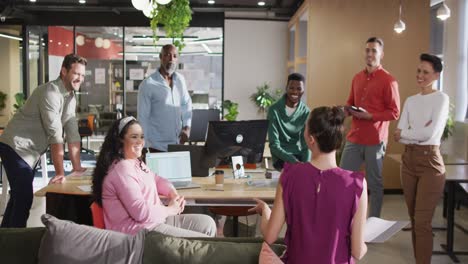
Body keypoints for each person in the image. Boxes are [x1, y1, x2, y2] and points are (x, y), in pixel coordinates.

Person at [251, 106, 368, 263]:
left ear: (311, 139)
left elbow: (270, 236)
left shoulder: (289, 175)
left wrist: (265, 210)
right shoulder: (356, 184)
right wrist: (364, 245)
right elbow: (358, 252)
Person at [0, 54, 88, 228]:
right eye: (76, 73)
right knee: (24, 197)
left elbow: (72, 133)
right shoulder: (50, 93)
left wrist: (77, 168)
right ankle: (15, 247)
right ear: (64, 71)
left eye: (83, 75)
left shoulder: (70, 96)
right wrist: (60, 172)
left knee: (18, 197)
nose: (80, 78)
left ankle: (5, 240)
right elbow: (55, 135)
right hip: (15, 146)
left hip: (30, 153)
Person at [92, 116, 216, 237]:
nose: (140, 142)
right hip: (139, 233)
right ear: (120, 140)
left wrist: (173, 193)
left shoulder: (136, 162)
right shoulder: (122, 169)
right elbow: (141, 213)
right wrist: (170, 209)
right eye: (134, 137)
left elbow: (156, 179)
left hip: (155, 222)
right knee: (201, 243)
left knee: (208, 224)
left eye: (142, 137)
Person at [394, 54, 449, 264]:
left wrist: (409, 132)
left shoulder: (441, 99)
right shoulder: (411, 100)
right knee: (415, 220)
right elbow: (398, 133)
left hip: (430, 164)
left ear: (436, 75)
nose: (420, 75)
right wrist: (413, 131)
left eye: (425, 72)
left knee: (422, 223)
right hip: (408, 161)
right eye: (419, 71)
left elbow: (429, 135)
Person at [340, 37, 400, 217]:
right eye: (367, 50)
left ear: (381, 54)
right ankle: (345, 219)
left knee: (375, 184)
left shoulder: (389, 80)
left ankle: (374, 223)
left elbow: (394, 112)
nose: (370, 54)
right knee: (343, 179)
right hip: (354, 138)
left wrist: (371, 116)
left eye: (374, 50)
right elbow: (350, 102)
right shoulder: (357, 77)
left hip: (375, 140)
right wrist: (344, 111)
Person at [137, 44, 192, 152]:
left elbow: (186, 103)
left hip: (177, 145)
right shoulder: (148, 84)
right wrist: (142, 147)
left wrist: (187, 127)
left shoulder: (180, 80)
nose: (171, 59)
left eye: (175, 56)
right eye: (167, 55)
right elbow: (143, 118)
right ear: (161, 56)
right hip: (156, 147)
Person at [267, 73, 310, 171]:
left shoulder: (306, 112)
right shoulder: (274, 110)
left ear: (303, 91)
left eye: (299, 89)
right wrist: (294, 162)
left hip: (298, 156)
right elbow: (274, 145)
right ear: (286, 88)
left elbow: (306, 144)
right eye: (291, 88)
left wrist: (306, 165)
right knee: (293, 175)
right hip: (280, 158)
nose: (295, 92)